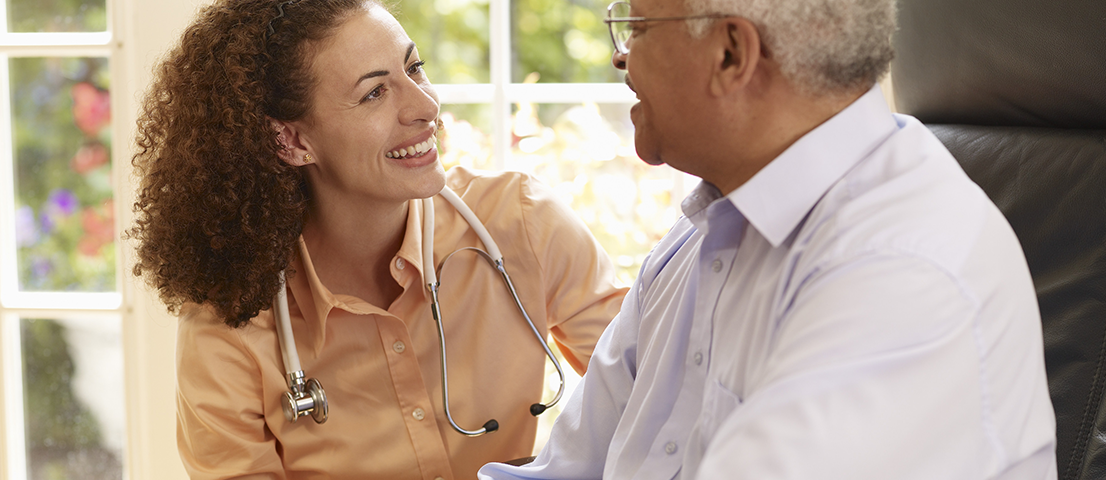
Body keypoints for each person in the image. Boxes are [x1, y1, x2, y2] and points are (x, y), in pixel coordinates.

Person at [479, 0, 1058, 478]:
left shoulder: (901, 271)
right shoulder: (699, 235)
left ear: (730, 54)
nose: (619, 54)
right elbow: (568, 469)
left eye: (637, 26)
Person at [126, 0, 628, 478]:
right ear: (292, 141)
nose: (426, 105)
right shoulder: (229, 324)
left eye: (414, 69)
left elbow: (657, 398)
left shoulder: (523, 222)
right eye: (375, 93)